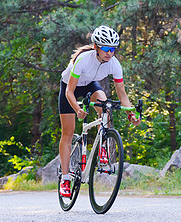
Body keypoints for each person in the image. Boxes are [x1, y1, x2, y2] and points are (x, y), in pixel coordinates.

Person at [58, 25, 141, 197]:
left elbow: (122, 94)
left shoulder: (114, 64)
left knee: (106, 106)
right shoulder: (83, 60)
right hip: (70, 87)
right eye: (105, 48)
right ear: (96, 47)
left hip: (89, 85)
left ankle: (103, 146)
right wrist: (78, 108)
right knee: (68, 132)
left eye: (112, 49)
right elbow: (69, 92)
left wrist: (131, 112)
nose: (109, 53)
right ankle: (65, 179)